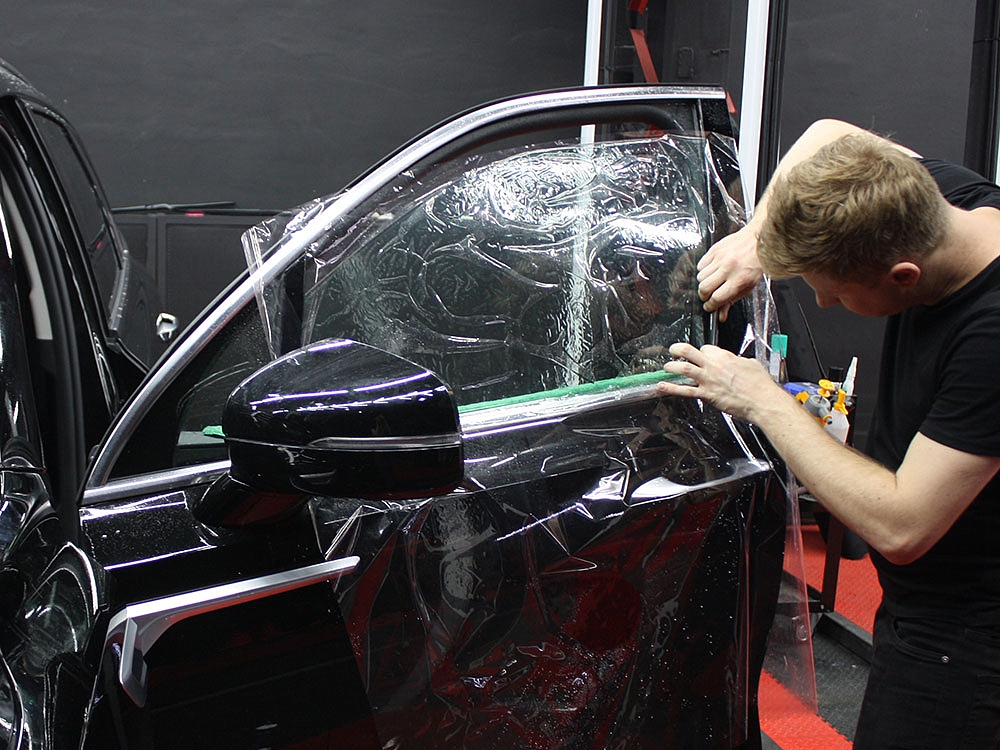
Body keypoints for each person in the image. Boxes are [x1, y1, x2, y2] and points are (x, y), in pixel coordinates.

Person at [657, 118, 1000, 748]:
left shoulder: (990, 336)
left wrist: (764, 400)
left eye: (837, 294)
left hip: (965, 637)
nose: (824, 305)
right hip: (926, 606)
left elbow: (902, 526)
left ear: (903, 275)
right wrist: (757, 241)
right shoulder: (938, 201)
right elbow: (827, 134)